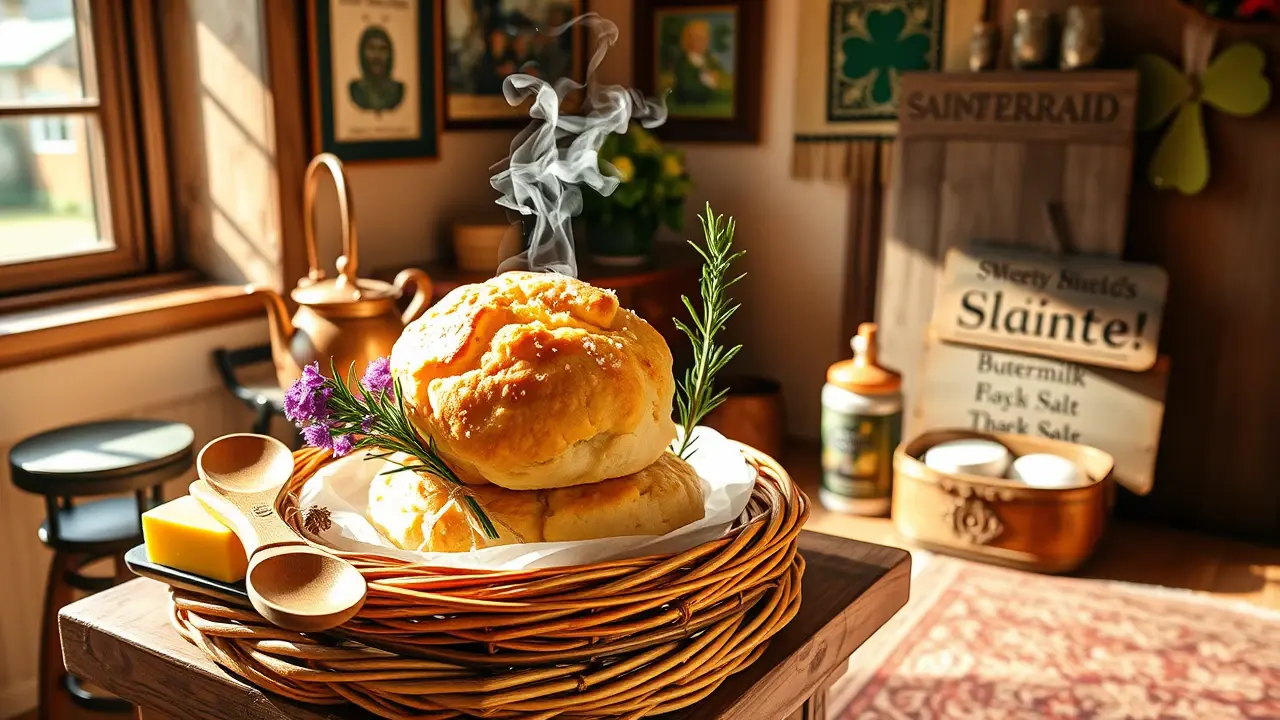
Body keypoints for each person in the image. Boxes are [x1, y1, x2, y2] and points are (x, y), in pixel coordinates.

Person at [349, 26, 405, 113]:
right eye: (371, 49)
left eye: (382, 49)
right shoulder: (356, 90)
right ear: (362, 53)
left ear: (390, 54)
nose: (377, 56)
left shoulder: (397, 90)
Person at [670, 19, 722, 106]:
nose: (704, 42)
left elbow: (719, 77)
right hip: (688, 105)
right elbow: (687, 87)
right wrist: (710, 87)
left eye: (705, 38)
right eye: (699, 38)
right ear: (688, 40)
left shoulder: (710, 60)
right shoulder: (682, 63)